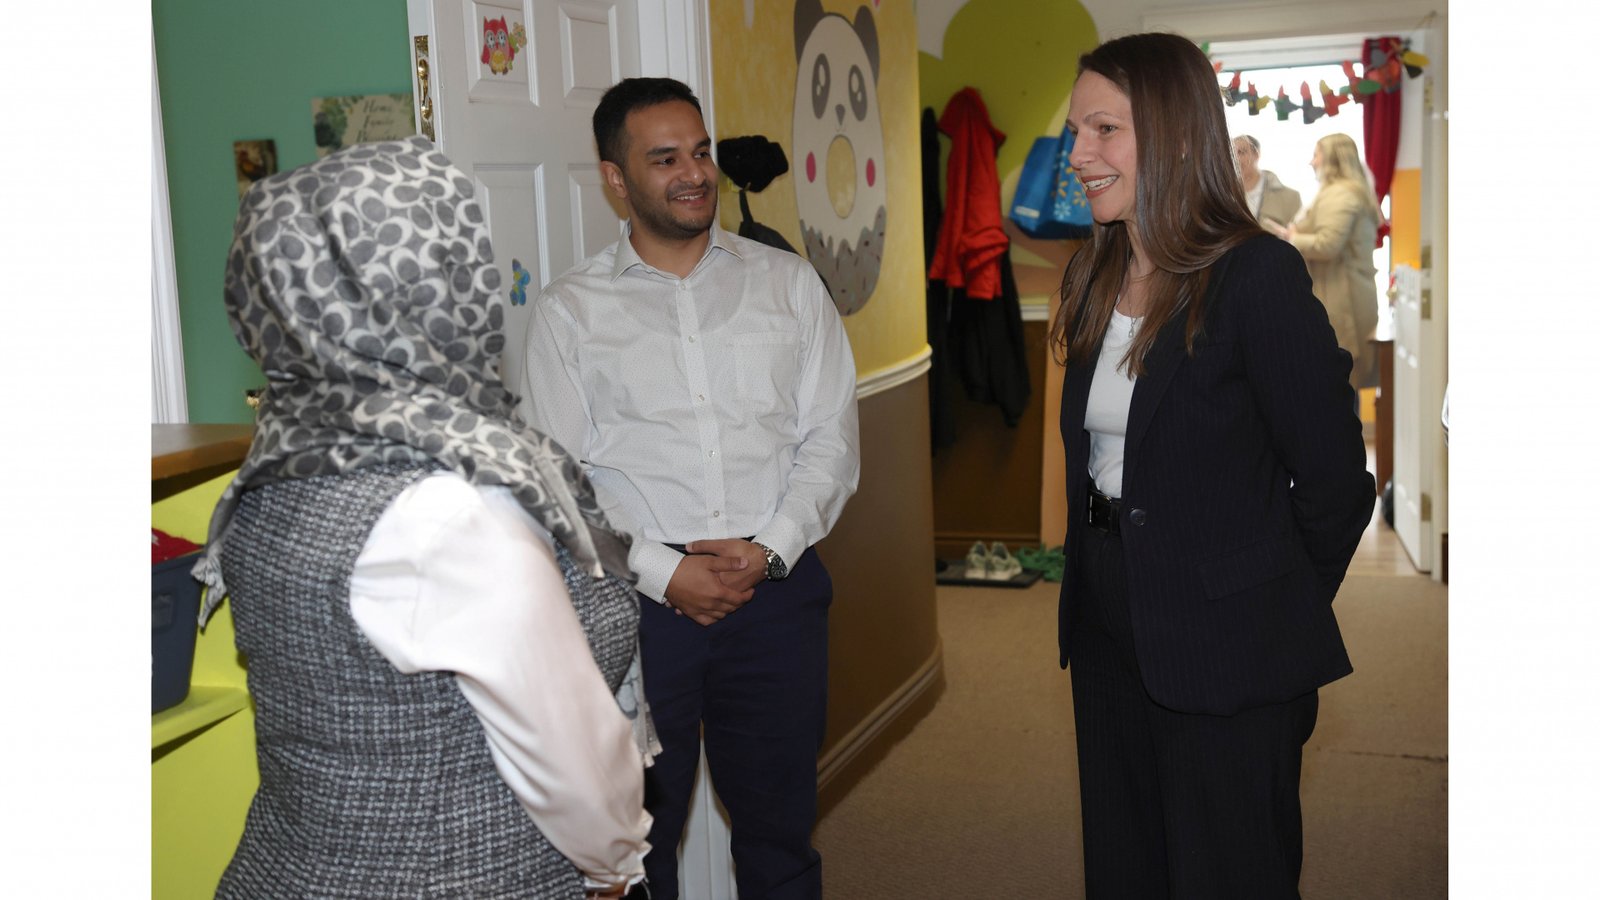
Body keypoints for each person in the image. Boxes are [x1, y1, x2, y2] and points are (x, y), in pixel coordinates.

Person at [192, 136, 654, 900]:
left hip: (284, 870)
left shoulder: (272, 468)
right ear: (434, 284)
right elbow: (570, 756)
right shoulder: (446, 509)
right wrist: (614, 866)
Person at [519, 77, 860, 900]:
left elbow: (831, 441)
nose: (694, 173)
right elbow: (556, 482)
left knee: (780, 833)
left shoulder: (789, 286)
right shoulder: (570, 313)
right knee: (639, 842)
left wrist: (770, 551)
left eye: (700, 151)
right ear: (615, 179)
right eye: (664, 157)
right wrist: (664, 573)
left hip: (776, 596)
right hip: (635, 610)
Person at [1051, 34, 1375, 898]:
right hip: (1109, 615)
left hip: (1232, 635)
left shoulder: (1254, 275)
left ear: (1178, 135)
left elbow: (1338, 480)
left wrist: (1273, 608)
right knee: (1127, 861)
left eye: (1103, 129)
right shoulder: (1094, 269)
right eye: (1075, 130)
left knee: (1231, 869)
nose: (1078, 154)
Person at [1280, 133, 1383, 389]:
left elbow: (1328, 245)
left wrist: (1292, 237)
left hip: (1341, 300)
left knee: (1339, 383)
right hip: (1341, 294)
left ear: (1333, 159)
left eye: (1316, 155)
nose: (1311, 162)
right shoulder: (1343, 192)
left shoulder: (1341, 195)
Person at [1232, 134, 1302, 229]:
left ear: (1256, 155)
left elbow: (1296, 238)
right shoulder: (1223, 196)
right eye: (1232, 154)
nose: (1236, 159)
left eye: (1241, 152)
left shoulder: (1290, 197)